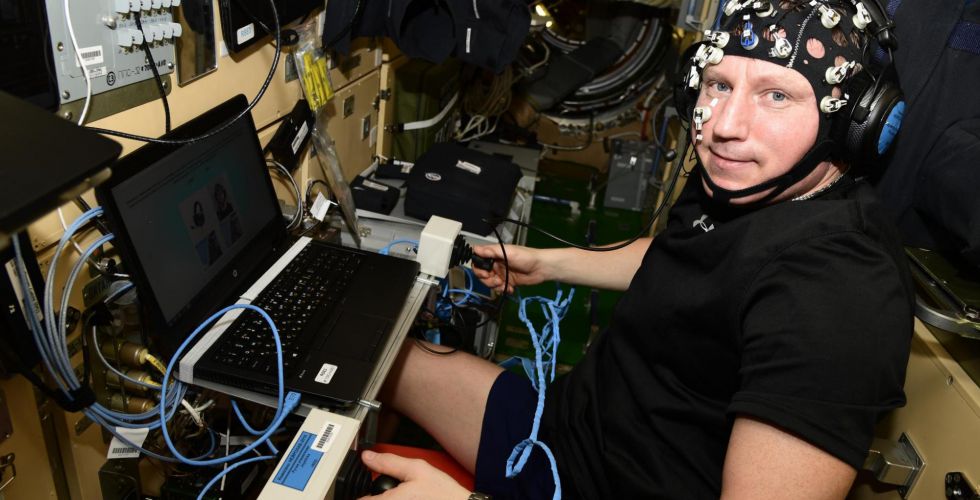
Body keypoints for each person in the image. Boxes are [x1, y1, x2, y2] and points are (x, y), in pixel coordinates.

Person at [360, 1, 914, 498]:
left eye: (776, 95)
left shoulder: (838, 291)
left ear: (858, 120)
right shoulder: (747, 178)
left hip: (587, 487)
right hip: (560, 430)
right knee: (367, 348)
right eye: (719, 85)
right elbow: (688, 256)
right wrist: (550, 264)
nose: (724, 126)